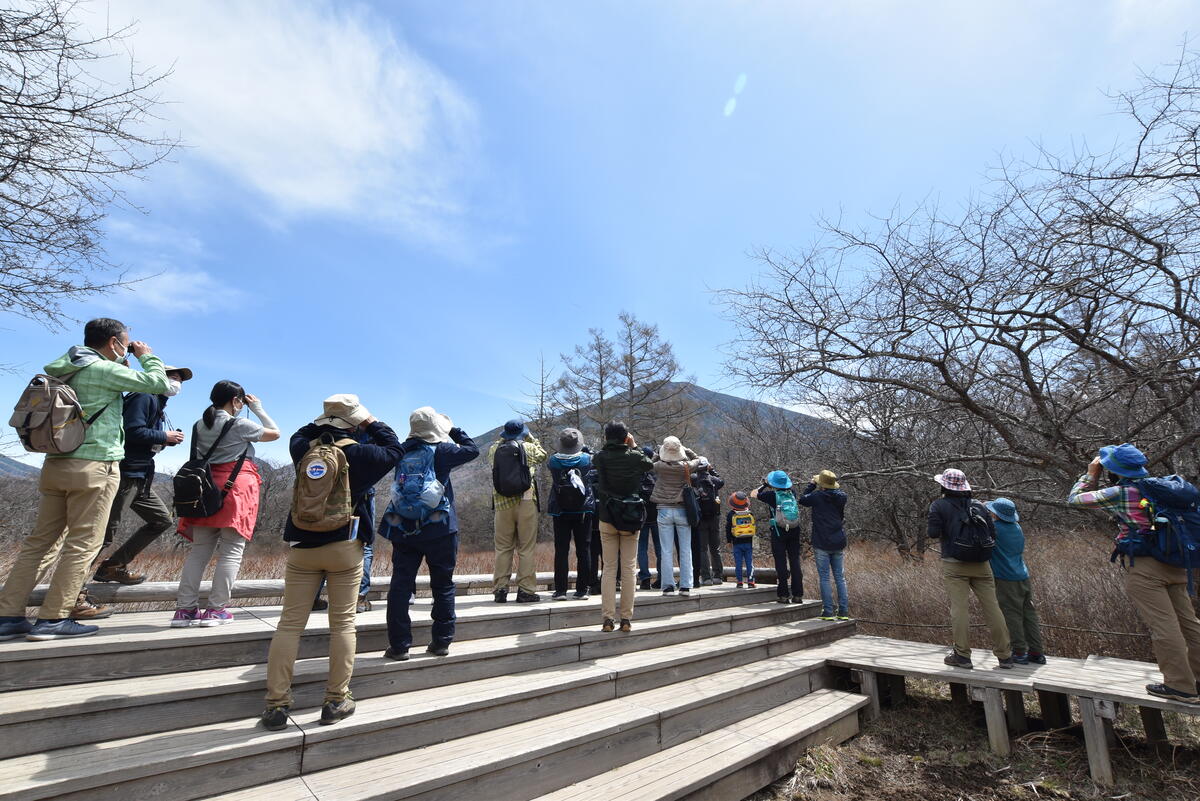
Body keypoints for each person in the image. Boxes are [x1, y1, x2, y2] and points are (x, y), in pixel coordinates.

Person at [0, 318, 169, 642]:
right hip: (94, 464)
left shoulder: (61, 368)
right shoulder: (102, 370)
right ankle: (54, 618)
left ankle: (8, 615)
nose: (128, 346)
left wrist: (123, 358)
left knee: (40, 543)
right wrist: (147, 356)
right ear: (113, 342)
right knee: (83, 544)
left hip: (55, 463)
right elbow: (158, 384)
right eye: (126, 342)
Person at [260, 395, 403, 731]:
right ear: (354, 421)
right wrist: (368, 421)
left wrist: (324, 418)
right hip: (344, 546)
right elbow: (395, 448)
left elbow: (300, 431)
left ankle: (276, 705)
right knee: (342, 624)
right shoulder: (362, 454)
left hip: (303, 545)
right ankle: (336, 699)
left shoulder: (302, 448)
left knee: (289, 625)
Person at [1068, 444, 1200, 704]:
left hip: (1145, 567)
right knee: (1189, 623)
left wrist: (1090, 474)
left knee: (1164, 626)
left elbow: (1076, 499)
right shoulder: (1165, 487)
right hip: (1177, 562)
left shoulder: (1123, 492)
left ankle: (1180, 687)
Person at [172, 381, 280, 628]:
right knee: (231, 552)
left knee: (198, 552)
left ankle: (184, 610)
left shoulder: (199, 424)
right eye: (240, 402)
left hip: (204, 489)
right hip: (234, 490)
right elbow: (274, 433)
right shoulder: (239, 424)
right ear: (235, 401)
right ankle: (216, 610)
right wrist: (260, 409)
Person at [379, 407, 478, 660]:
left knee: (401, 585)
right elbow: (471, 449)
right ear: (437, 429)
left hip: (404, 528)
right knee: (443, 584)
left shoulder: (401, 449)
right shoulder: (443, 450)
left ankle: (399, 646)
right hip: (440, 527)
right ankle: (441, 642)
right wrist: (453, 429)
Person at [91, 366, 193, 585]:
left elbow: (145, 437)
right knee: (104, 533)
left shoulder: (158, 404)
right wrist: (163, 435)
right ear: (157, 378)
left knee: (161, 520)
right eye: (173, 377)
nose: (177, 383)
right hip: (125, 473)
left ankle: (113, 566)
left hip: (141, 476)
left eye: (180, 380)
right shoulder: (143, 397)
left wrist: (163, 440)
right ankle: (71, 592)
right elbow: (130, 430)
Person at [928, 468, 1013, 669]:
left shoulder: (938, 505)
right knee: (993, 608)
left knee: (959, 609)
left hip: (954, 563)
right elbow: (992, 534)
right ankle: (1005, 655)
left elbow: (932, 533)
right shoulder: (979, 506)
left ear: (943, 486)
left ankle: (962, 655)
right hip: (982, 564)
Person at [593, 421, 654, 631]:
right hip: (630, 518)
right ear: (625, 437)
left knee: (609, 568)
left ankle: (608, 619)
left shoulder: (601, 457)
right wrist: (634, 446)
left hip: (607, 517)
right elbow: (649, 464)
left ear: (607, 437)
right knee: (629, 568)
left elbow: (597, 459)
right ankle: (626, 619)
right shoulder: (635, 456)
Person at [489, 420, 547, 604]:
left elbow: (495, 452)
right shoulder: (529, 448)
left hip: (501, 503)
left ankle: (500, 589)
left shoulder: (494, 450)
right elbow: (543, 455)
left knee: (503, 548)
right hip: (526, 501)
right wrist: (532, 438)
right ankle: (526, 590)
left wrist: (502, 439)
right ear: (522, 433)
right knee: (526, 548)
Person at [986, 497, 1045, 666]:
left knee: (1012, 615)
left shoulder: (995, 529)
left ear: (996, 514)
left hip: (1005, 578)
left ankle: (1019, 652)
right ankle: (1036, 652)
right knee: (1029, 614)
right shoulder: (1016, 528)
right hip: (1022, 576)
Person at [650, 436, 706, 596]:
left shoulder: (659, 466)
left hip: (663, 510)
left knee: (666, 550)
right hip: (682, 510)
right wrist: (687, 450)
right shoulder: (686, 466)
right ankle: (685, 586)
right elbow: (699, 459)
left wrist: (658, 453)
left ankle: (667, 586)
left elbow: (647, 465)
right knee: (685, 549)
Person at [547, 428, 594, 601]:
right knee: (584, 549)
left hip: (560, 510)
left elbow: (552, 461)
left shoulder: (553, 461)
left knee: (561, 550)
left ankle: (560, 590)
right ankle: (582, 590)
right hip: (583, 509)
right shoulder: (587, 459)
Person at [797, 470, 850, 621]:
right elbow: (836, 493)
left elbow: (802, 499)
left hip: (821, 541)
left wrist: (811, 485)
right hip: (838, 540)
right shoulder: (842, 497)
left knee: (825, 578)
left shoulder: (816, 497)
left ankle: (828, 611)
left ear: (821, 484)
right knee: (840, 577)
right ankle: (843, 611)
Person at [751, 470, 805, 604]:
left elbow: (753, 494)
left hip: (778, 532)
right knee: (795, 562)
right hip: (794, 529)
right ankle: (798, 595)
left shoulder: (771, 495)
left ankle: (783, 595)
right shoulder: (792, 493)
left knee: (781, 562)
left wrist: (764, 484)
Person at [691, 461, 725, 586]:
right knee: (715, 548)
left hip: (701, 518)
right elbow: (722, 480)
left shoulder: (694, 479)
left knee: (703, 549)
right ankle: (718, 576)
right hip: (714, 517)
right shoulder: (714, 480)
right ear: (707, 467)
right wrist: (712, 470)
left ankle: (706, 578)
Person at [636, 445, 662, 590]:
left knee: (642, 549)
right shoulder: (656, 473)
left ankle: (645, 579)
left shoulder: (636, 473)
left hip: (641, 516)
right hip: (657, 515)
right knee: (660, 548)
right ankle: (661, 577)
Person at [725, 491, 756, 587]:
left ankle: (739, 582)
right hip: (748, 542)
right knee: (749, 563)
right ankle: (751, 582)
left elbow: (728, 528)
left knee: (738, 563)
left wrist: (729, 541)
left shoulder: (731, 514)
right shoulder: (749, 513)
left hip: (737, 542)